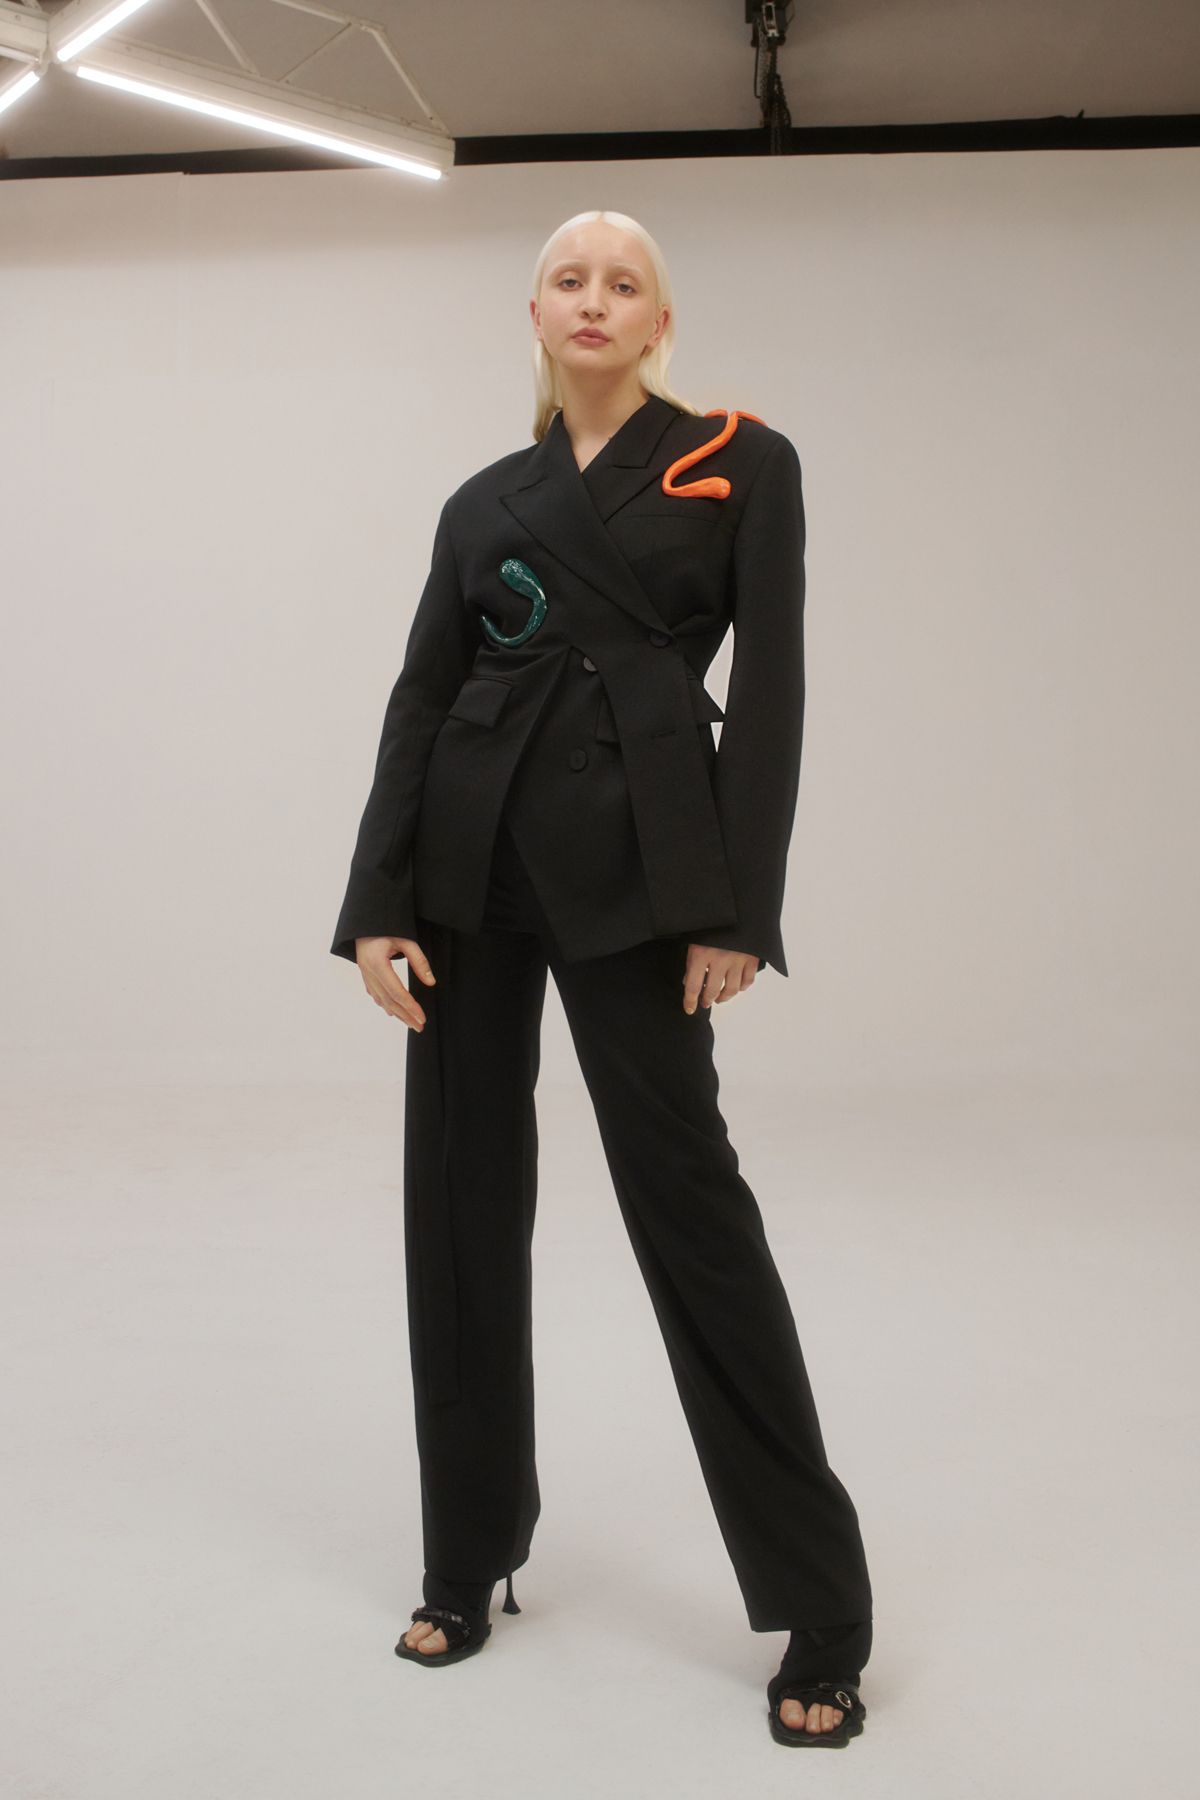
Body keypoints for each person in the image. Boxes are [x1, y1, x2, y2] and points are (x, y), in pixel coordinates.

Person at [329, 208, 874, 1746]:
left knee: (691, 1216)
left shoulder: (742, 464)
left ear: (658, 319)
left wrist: (736, 908)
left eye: (623, 281)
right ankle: (466, 1556)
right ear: (536, 314)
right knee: (457, 1208)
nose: (594, 298)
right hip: (470, 869)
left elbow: (772, 695)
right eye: (568, 278)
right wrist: (376, 903)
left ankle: (823, 1610)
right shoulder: (483, 499)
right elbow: (423, 696)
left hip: (643, 878)